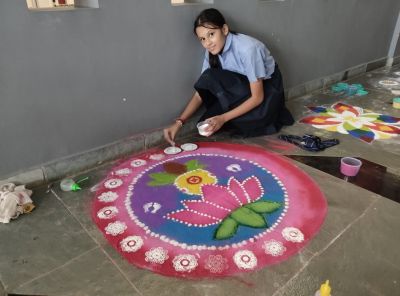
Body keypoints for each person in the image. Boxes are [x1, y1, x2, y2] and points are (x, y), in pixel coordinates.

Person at [164, 8, 294, 146]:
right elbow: (200, 93)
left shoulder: (248, 49)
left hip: (267, 94)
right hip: (244, 88)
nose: (207, 43)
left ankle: (259, 118)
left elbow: (258, 97)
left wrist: (223, 118)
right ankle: (235, 117)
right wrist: (179, 122)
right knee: (207, 119)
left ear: (224, 29)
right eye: (202, 39)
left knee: (229, 123)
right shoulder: (212, 51)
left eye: (211, 34)